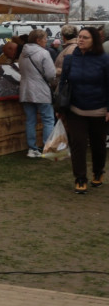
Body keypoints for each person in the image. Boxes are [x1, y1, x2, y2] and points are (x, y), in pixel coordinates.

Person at [58, 26, 109, 194]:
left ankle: (98, 171)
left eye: (85, 37)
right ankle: (80, 178)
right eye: (79, 36)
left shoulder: (104, 59)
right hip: (75, 109)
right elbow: (63, 83)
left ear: (94, 40)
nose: (80, 40)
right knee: (78, 144)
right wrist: (60, 107)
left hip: (99, 110)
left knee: (98, 145)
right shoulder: (70, 59)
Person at [19, 29, 56, 159]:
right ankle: (47, 148)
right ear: (38, 40)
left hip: (25, 90)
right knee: (48, 119)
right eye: (45, 38)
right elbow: (51, 74)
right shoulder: (44, 53)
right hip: (41, 90)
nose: (46, 41)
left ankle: (32, 148)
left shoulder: (23, 53)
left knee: (30, 120)